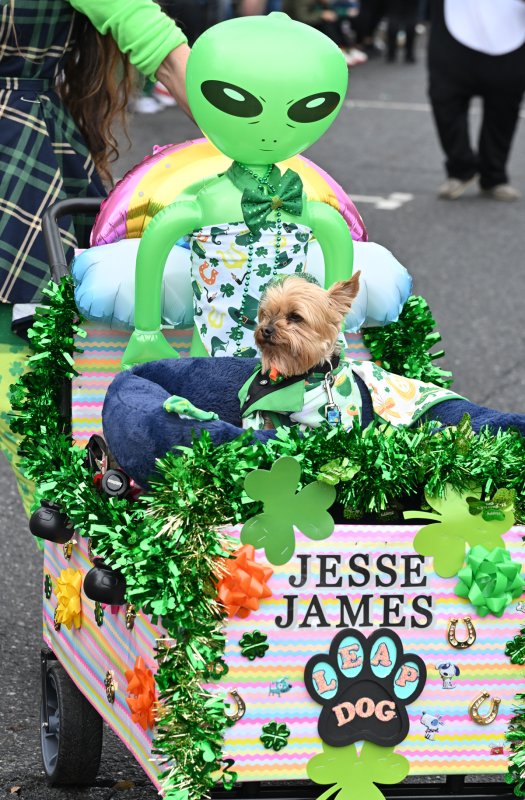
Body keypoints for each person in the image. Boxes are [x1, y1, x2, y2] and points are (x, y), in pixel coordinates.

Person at [0, 0, 190, 513]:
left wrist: (254, 142)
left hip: (16, 162)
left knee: (29, 408)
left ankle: (85, 549)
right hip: (21, 152)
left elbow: (158, 44)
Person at [428, 0, 525, 201]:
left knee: (504, 109)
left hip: (510, 32)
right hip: (453, 29)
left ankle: (494, 176)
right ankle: (460, 168)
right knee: (444, 100)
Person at [282, 0, 368, 65]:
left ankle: (347, 48)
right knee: (327, 23)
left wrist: (325, 7)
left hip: (306, 22)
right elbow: (301, 18)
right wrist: (321, 14)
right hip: (293, 26)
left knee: (334, 19)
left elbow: (330, 11)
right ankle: (339, 50)